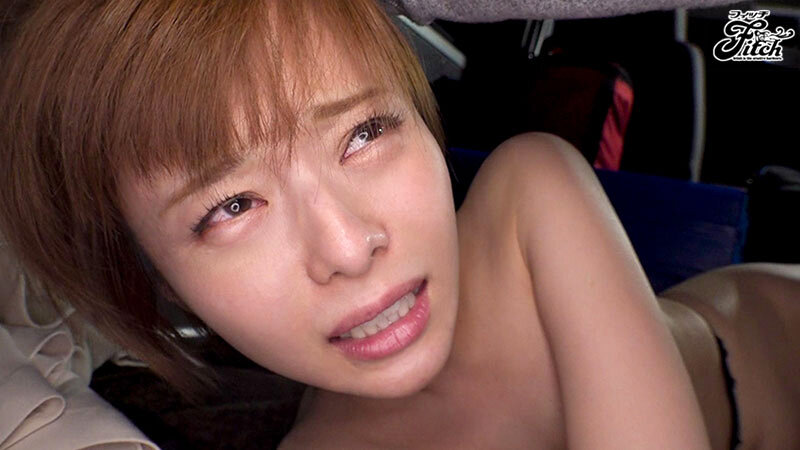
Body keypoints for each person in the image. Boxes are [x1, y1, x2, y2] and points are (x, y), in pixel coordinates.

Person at [0, 0, 797, 448]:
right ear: (154, 273)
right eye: (232, 207)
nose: (350, 248)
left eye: (365, 132)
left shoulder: (532, 193)